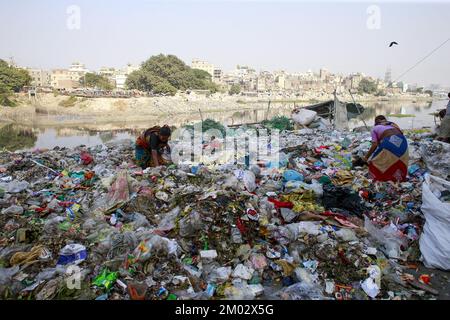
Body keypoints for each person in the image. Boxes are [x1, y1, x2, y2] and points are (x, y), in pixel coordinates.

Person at [363, 115, 409, 182]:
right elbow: (401, 133)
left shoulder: (375, 128)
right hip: (403, 142)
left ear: (375, 122)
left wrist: (366, 157)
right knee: (399, 160)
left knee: (374, 162)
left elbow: (375, 145)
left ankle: (380, 179)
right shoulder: (392, 125)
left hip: (389, 140)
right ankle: (398, 178)